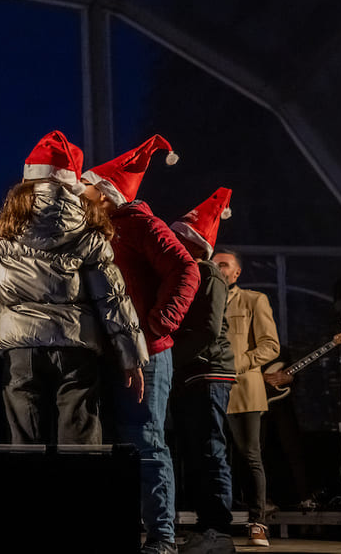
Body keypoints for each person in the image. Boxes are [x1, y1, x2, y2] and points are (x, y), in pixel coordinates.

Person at [0, 130, 146, 445]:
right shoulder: (89, 234)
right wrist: (132, 357)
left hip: (20, 350)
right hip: (75, 350)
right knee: (80, 443)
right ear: (72, 182)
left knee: (26, 443)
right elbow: (113, 299)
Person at [81, 134, 200, 554]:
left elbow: (187, 269)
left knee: (146, 439)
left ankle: (161, 535)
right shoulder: (101, 229)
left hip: (145, 352)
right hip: (111, 351)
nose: (81, 192)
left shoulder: (141, 225)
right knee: (119, 440)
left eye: (88, 187)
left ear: (107, 193)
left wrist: (158, 323)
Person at [168, 188, 238, 554]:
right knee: (196, 450)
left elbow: (209, 329)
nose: (173, 242)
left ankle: (218, 530)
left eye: (179, 238)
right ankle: (205, 526)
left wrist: (170, 358)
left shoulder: (208, 274)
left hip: (208, 371)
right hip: (193, 372)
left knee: (210, 450)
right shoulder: (190, 273)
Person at [211, 249, 280, 548]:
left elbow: (271, 346)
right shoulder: (202, 301)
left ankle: (258, 523)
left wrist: (236, 364)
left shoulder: (253, 300)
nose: (218, 268)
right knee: (213, 459)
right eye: (214, 264)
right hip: (210, 390)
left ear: (237, 272)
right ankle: (215, 524)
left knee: (250, 457)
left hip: (243, 392)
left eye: (224, 265)